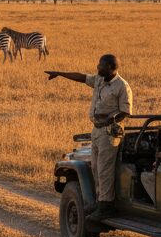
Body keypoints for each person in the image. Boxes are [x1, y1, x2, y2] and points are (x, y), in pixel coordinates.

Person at [46, 54, 132, 220]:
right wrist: (60, 73)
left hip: (110, 132)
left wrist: (110, 119)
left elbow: (126, 111)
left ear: (110, 68)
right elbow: (81, 77)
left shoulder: (122, 86)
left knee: (105, 169)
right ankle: (99, 203)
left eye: (100, 65)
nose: (97, 66)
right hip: (97, 131)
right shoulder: (100, 79)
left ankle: (106, 206)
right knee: (95, 168)